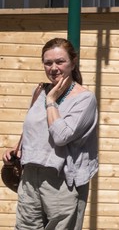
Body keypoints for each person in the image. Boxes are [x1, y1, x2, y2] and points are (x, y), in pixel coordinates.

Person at [4, 38, 99, 230]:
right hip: (30, 178)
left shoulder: (85, 99)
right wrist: (16, 149)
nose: (53, 68)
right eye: (48, 63)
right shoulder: (39, 91)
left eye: (59, 61)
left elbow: (61, 136)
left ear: (73, 62)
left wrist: (51, 101)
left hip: (62, 183)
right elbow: (33, 129)